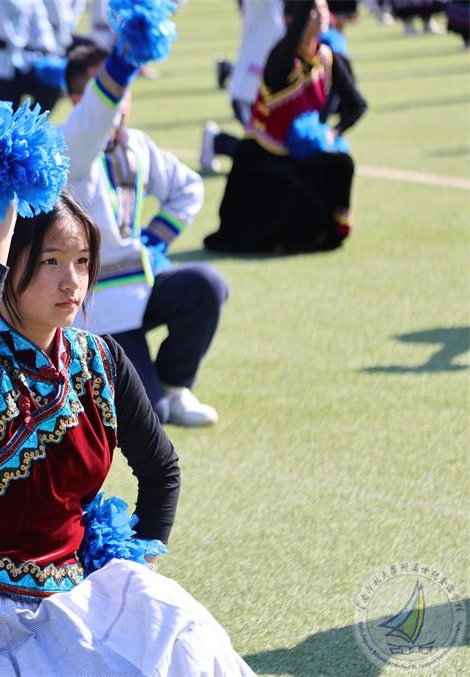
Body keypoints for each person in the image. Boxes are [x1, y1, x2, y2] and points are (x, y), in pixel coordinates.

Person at [0, 195, 254, 674]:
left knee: (187, 638)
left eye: (82, 261)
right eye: (50, 262)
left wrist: (133, 575)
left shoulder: (101, 360)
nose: (72, 281)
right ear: (6, 263)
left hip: (75, 600)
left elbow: (161, 469)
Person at [60, 44, 226, 427]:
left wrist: (155, 240)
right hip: (93, 308)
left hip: (140, 286)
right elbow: (96, 114)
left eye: (124, 86)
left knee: (206, 286)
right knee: (150, 414)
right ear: (78, 101)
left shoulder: (135, 143)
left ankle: (174, 384)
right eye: (108, 87)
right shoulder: (69, 144)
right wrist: (121, 61)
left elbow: (188, 187)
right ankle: (70, 377)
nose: (120, 95)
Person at [204, 0, 360, 254]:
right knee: (297, 196)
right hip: (265, 148)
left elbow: (357, 104)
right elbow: (291, 37)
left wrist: (333, 132)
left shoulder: (325, 56)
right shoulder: (282, 56)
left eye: (323, 8)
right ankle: (217, 142)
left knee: (341, 163)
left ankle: (333, 229)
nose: (321, 14)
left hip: (297, 149)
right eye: (314, 10)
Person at [202, 0, 285, 174]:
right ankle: (216, 142)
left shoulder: (285, 8)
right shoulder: (261, 6)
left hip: (273, 94)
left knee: (277, 152)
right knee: (264, 156)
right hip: (248, 93)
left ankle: (217, 141)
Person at [0, 0, 63, 111]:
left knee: (51, 86)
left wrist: (48, 48)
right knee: (0, 112)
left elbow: (42, 25)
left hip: (24, 61)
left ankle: (28, 121)